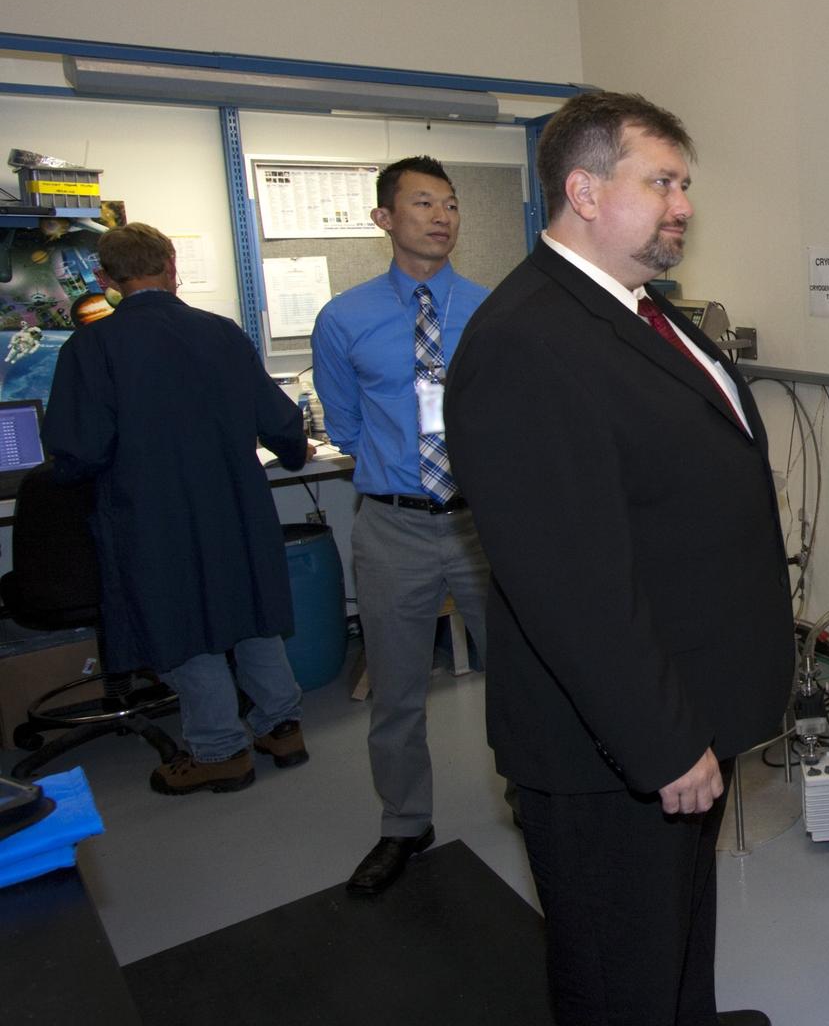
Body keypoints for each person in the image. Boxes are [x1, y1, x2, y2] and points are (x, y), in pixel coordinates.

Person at [446, 91, 790, 1026]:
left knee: (675, 938)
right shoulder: (526, 341)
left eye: (685, 184)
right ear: (585, 192)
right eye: (663, 183)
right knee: (618, 975)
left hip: (683, 706)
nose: (684, 204)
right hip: (613, 747)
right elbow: (568, 582)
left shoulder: (640, 313)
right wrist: (662, 739)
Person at [44, 223, 312, 795]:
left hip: (151, 514)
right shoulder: (222, 332)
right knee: (251, 610)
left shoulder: (92, 347)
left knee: (179, 621)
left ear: (105, 278)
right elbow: (281, 421)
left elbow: (78, 451)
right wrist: (295, 451)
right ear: (171, 264)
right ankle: (282, 728)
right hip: (234, 506)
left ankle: (220, 752)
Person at [311, 155, 492, 895]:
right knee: (396, 692)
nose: (441, 216)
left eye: (450, 203)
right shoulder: (343, 318)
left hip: (485, 526)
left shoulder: (491, 310)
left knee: (525, 678)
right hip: (393, 527)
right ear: (384, 218)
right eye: (422, 203)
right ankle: (404, 824)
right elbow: (346, 427)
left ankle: (536, 797)